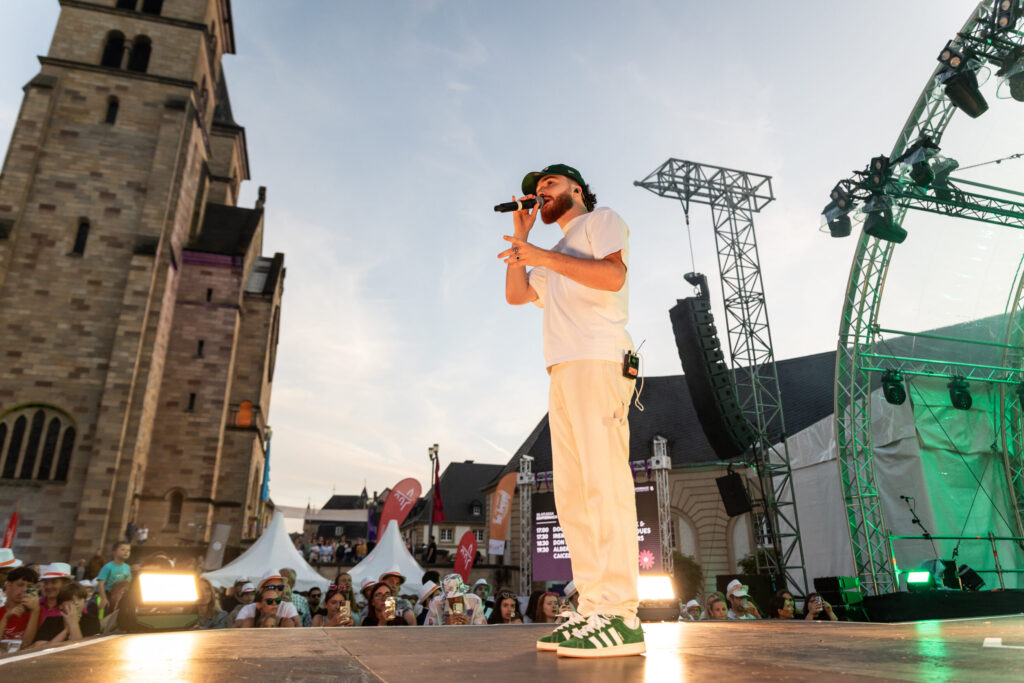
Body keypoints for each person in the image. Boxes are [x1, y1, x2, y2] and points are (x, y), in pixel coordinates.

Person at [500, 163, 642, 658]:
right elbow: (516, 294)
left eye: (549, 185)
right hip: (561, 370)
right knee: (573, 496)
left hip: (599, 359)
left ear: (576, 190)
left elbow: (611, 275)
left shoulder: (599, 220)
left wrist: (536, 251)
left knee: (604, 485)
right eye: (536, 192)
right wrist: (522, 241)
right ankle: (593, 609)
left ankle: (621, 614)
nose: (540, 193)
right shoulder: (550, 255)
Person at [236, 572, 300, 628]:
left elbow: (298, 628)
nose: (276, 590)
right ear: (261, 589)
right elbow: (237, 629)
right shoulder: (248, 609)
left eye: (280, 587)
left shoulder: (287, 607)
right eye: (272, 587)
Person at [0, 566, 40, 644]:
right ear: (8, 586)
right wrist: (6, 617)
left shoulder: (36, 611)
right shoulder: (0, 611)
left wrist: (35, 612)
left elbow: (26, 645)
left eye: (29, 586)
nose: (24, 589)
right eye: (20, 585)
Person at [96, 541, 132, 615]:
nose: (126, 552)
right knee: (103, 614)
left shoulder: (127, 567)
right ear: (114, 552)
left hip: (120, 595)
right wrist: (103, 598)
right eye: (123, 549)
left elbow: (128, 581)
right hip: (107, 594)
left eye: (128, 550)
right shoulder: (108, 567)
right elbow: (100, 583)